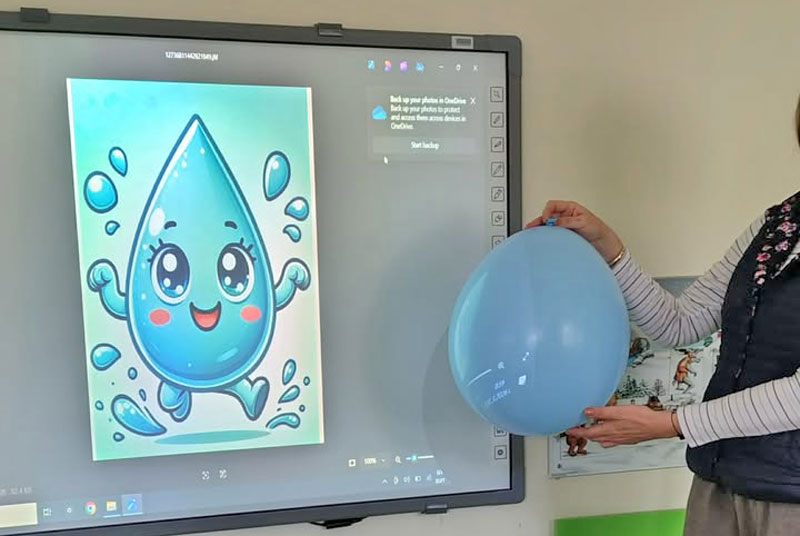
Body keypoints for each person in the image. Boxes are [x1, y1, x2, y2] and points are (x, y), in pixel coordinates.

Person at [526, 103, 800, 536]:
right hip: (718, 483)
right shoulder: (779, 224)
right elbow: (680, 322)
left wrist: (674, 423)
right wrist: (609, 248)